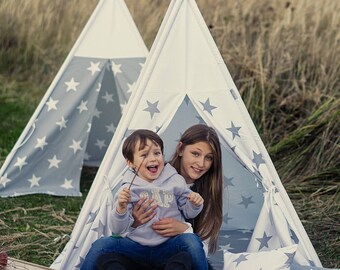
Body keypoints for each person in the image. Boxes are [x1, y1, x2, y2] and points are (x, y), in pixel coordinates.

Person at [81, 124, 223, 270]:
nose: (201, 163)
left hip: (169, 248)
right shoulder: (128, 188)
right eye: (195, 154)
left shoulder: (176, 181)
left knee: (188, 250)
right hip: (136, 247)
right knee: (103, 249)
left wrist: (188, 220)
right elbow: (117, 229)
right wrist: (127, 216)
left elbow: (195, 235)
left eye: (157, 153)